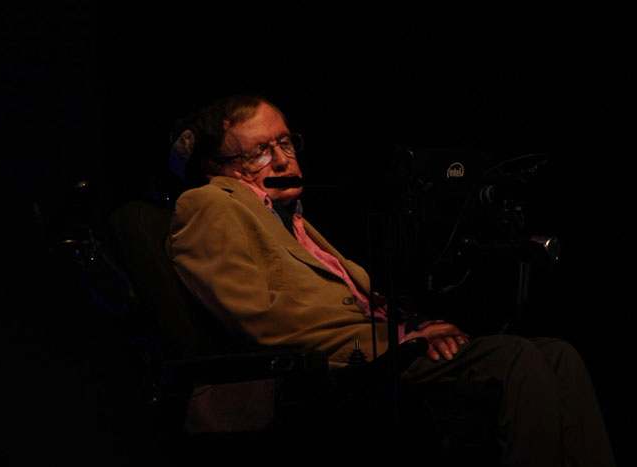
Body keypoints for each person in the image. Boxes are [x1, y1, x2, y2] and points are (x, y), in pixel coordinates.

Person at [166, 95, 615, 466]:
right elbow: (261, 321)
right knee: (515, 357)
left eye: (285, 142)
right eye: (260, 152)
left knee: (558, 354)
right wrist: (399, 340)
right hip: (333, 372)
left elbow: (350, 298)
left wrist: (416, 326)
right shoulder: (210, 203)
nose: (283, 159)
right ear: (218, 166)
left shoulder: (287, 217)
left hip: (385, 347)